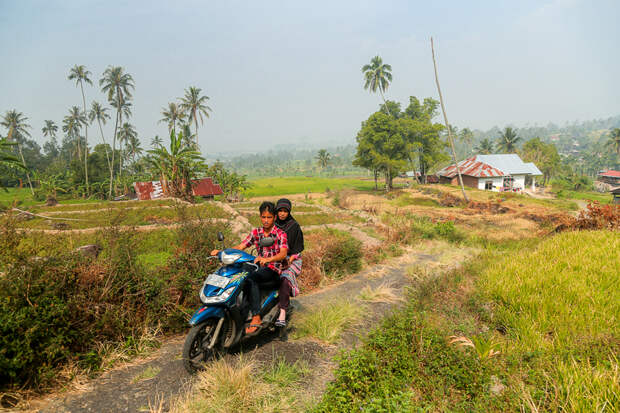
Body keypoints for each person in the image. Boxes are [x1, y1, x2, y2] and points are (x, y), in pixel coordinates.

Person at [210, 201, 288, 334]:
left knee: (250, 279)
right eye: (263, 217)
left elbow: (283, 253)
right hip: (258, 267)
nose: (266, 220)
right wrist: (222, 252)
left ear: (274, 217)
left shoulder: (280, 234)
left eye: (269, 217)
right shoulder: (256, 232)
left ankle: (256, 316)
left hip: (273, 269)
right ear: (260, 217)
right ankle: (237, 313)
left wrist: (268, 259)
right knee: (238, 275)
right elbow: (241, 247)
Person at [274, 198, 304, 328]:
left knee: (285, 279)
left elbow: (297, 248)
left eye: (285, 211)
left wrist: (288, 261)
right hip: (274, 258)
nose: (282, 213)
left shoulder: (294, 226)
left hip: (292, 259)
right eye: (279, 210)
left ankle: (282, 313)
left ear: (289, 212)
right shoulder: (272, 225)